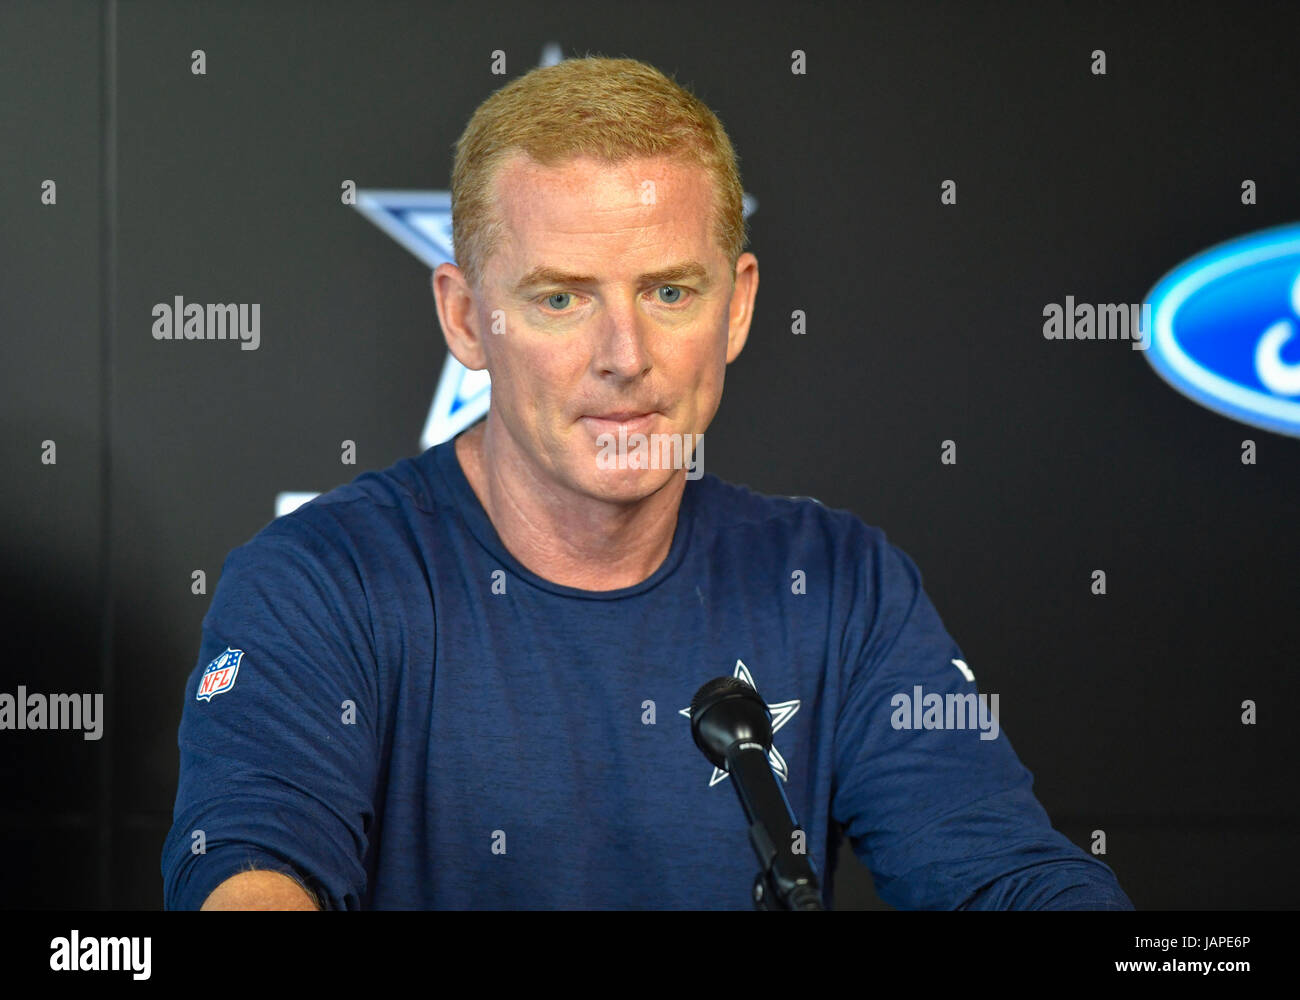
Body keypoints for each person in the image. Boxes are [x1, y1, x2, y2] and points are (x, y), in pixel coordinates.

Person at [161, 55, 1132, 910]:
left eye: (669, 291)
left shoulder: (840, 583)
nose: (624, 356)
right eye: (560, 297)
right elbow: (250, 867)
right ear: (465, 318)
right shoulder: (318, 581)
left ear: (738, 306)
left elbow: (1001, 874)